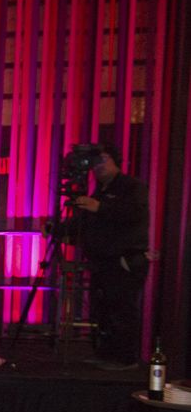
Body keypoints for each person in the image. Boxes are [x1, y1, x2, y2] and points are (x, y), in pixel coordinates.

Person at [65, 142, 149, 369]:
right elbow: (85, 224)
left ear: (116, 161)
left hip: (124, 259)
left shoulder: (132, 187)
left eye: (103, 159)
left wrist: (98, 207)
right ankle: (107, 354)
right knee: (103, 310)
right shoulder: (100, 191)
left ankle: (126, 358)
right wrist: (60, 229)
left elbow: (133, 214)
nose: (98, 166)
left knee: (122, 309)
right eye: (95, 162)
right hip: (102, 260)